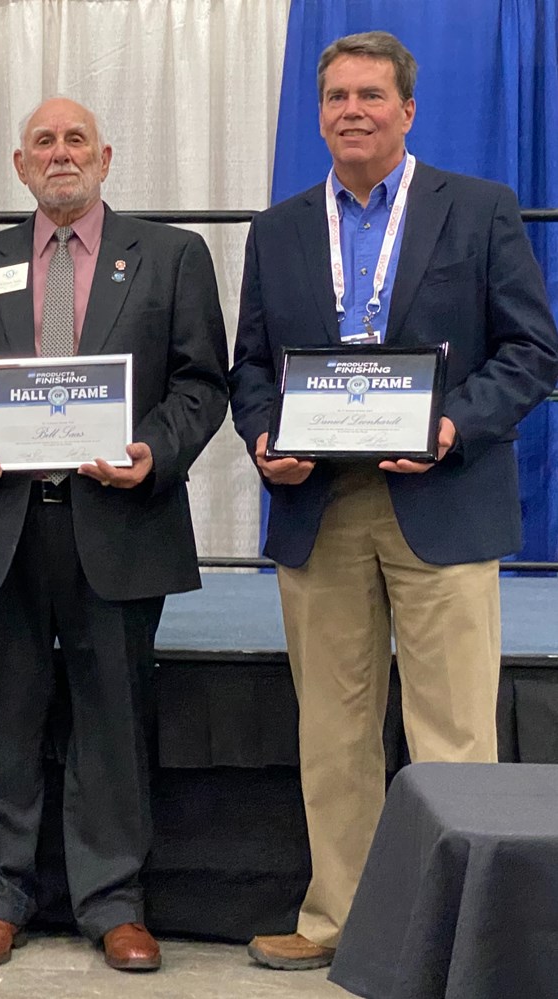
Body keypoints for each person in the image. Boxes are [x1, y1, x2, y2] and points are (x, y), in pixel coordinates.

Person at [230, 31, 558, 971]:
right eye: (335, 97)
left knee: (452, 729)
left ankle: (461, 935)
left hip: (443, 497)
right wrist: (264, 439)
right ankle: (342, 921)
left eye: (372, 95)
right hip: (319, 506)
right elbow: (252, 366)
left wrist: (451, 425)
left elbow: (532, 353)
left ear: (408, 111)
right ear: (320, 112)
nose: (352, 111)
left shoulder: (481, 210)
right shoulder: (280, 228)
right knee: (330, 731)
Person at [0, 97, 228, 972]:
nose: (61, 155)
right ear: (19, 165)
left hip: (121, 520)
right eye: (44, 143)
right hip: (3, 526)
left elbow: (201, 384)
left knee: (114, 722)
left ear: (106, 155)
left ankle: (113, 903)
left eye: (76, 141)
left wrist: (154, 451)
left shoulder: (171, 256)